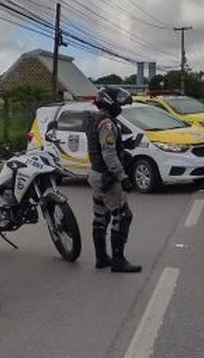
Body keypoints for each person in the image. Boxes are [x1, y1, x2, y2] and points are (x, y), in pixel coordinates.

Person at [86, 86, 141, 273]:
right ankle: (118, 261)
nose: (121, 107)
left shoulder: (95, 120)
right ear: (110, 102)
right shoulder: (107, 124)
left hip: (95, 174)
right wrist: (122, 177)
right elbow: (108, 154)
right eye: (119, 103)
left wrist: (124, 147)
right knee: (123, 216)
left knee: (100, 216)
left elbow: (105, 149)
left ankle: (101, 258)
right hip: (107, 177)